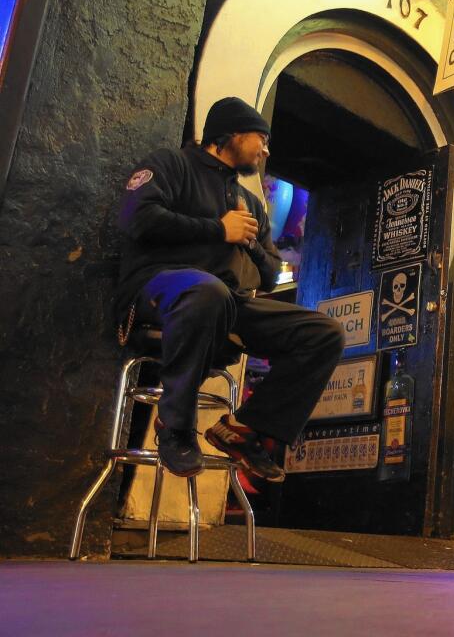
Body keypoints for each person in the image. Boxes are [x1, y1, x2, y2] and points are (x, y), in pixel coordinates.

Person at [115, 97, 344, 480]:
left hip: (226, 303)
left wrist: (248, 241)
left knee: (324, 333)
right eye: (262, 138)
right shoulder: (172, 164)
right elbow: (137, 218)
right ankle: (175, 427)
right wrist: (218, 229)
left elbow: (270, 274)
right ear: (233, 134)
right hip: (157, 289)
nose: (267, 150)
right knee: (207, 292)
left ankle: (243, 429)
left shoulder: (251, 203)